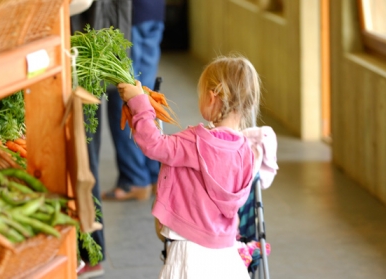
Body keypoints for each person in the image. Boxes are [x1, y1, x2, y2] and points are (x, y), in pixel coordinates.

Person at [117, 55, 261, 278]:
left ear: (212, 97)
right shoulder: (246, 151)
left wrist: (139, 104)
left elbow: (154, 144)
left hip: (189, 251)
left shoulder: (195, 142)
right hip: (226, 255)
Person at [70, 0, 133, 278]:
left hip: (88, 50)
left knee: (83, 156)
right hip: (94, 45)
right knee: (85, 152)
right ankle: (88, 250)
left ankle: (90, 252)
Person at [102, 0, 166, 201]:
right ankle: (155, 176)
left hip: (129, 15)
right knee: (144, 94)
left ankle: (135, 179)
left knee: (124, 96)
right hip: (154, 11)